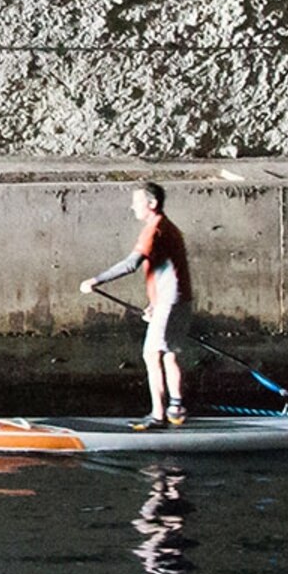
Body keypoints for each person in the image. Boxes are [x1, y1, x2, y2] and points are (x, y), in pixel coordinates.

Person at [81, 183, 192, 427]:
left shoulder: (154, 230)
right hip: (177, 300)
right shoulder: (168, 227)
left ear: (151, 204)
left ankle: (158, 415)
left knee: (151, 355)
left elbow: (131, 264)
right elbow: (167, 271)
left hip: (170, 301)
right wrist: (154, 304)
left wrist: (96, 280)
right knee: (170, 354)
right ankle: (176, 408)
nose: (133, 207)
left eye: (137, 202)